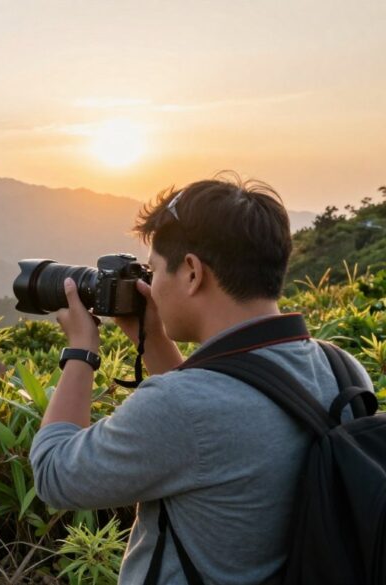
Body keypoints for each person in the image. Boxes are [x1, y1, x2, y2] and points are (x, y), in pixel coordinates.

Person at [29, 175, 372, 584]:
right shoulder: (344, 369)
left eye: (153, 271)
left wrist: (81, 351)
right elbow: (220, 425)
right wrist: (152, 338)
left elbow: (54, 475)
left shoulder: (182, 406)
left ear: (192, 272)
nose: (151, 287)